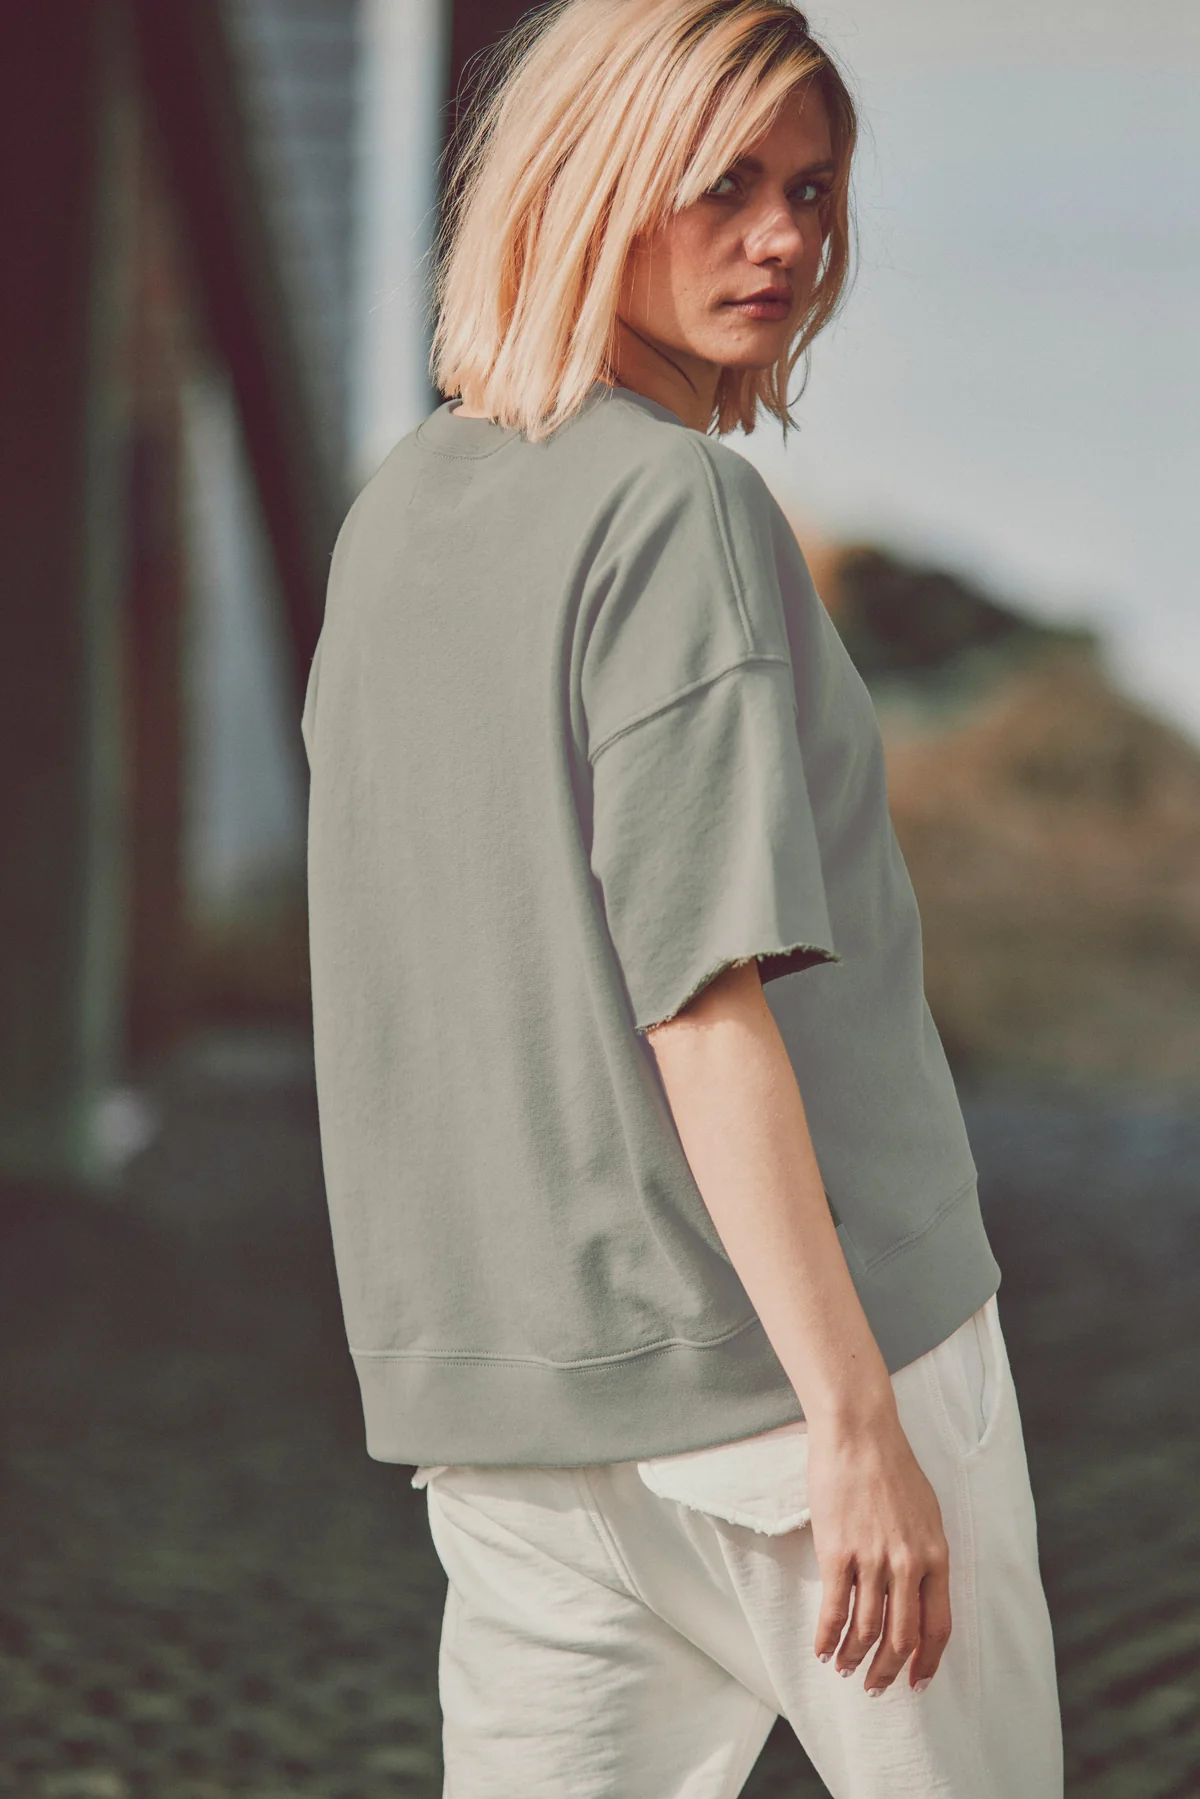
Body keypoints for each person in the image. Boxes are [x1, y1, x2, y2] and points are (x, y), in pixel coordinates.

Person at [300, 1, 1063, 1793]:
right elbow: (700, 1004)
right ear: (591, 179)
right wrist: (857, 1419)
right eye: (724, 183)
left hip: (515, 1425)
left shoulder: (395, 513)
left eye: (811, 190)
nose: (786, 239)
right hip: (801, 1379)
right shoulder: (683, 511)